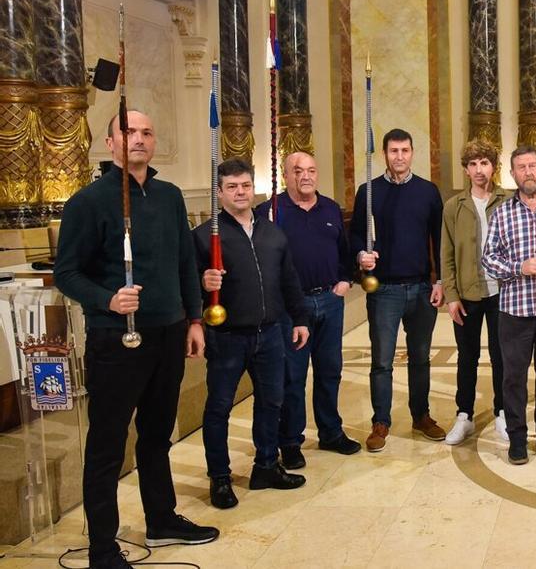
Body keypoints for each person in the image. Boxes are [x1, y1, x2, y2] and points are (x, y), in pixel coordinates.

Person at [55, 110, 219, 568]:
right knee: (108, 443)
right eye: (129, 132)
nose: (140, 139)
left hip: (169, 333)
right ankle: (103, 548)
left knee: (156, 434)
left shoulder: (168, 197)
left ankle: (161, 518)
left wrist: (193, 319)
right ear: (110, 143)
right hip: (117, 339)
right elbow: (66, 272)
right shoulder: (88, 202)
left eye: (147, 132)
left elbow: (186, 262)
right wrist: (108, 300)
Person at [195, 158, 310, 509]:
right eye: (232, 187)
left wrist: (300, 318)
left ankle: (265, 466)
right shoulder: (204, 237)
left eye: (245, 185)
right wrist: (203, 284)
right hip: (227, 336)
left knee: (271, 401)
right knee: (219, 408)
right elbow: (187, 287)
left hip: (271, 331)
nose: (240, 192)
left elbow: (289, 279)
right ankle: (219, 478)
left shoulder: (272, 232)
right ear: (219, 192)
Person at [259, 152, 361, 470]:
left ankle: (330, 432)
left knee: (330, 371)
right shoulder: (270, 212)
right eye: (298, 170)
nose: (306, 176)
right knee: (293, 376)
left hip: (330, 301)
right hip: (292, 307)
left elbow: (344, 253)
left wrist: (345, 280)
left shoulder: (330, 208)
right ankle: (290, 441)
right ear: (285, 175)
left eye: (311, 170)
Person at [351, 128, 446, 450]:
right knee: (382, 360)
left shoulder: (428, 192)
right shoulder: (368, 192)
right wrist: (360, 256)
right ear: (384, 154)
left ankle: (421, 416)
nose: (400, 157)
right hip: (385, 291)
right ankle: (381, 422)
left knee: (420, 357)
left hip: (420, 288)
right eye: (394, 151)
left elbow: (440, 240)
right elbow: (354, 237)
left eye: (405, 150)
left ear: (413, 152)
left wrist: (440, 281)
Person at [481, 146, 536, 465]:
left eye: (533, 166)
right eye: (521, 167)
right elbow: (488, 259)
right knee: (513, 377)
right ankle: (517, 438)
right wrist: (520, 267)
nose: (528, 172)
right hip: (514, 313)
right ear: (513, 174)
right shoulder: (503, 212)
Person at [441, 140, 510, 445]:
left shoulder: (508, 201)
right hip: (468, 294)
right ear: (466, 169)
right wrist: (452, 295)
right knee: (467, 356)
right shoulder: (453, 207)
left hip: (501, 293)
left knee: (502, 356)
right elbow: (447, 254)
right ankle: (464, 415)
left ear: (494, 166)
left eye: (485, 162)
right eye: (473, 164)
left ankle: (503, 413)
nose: (479, 169)